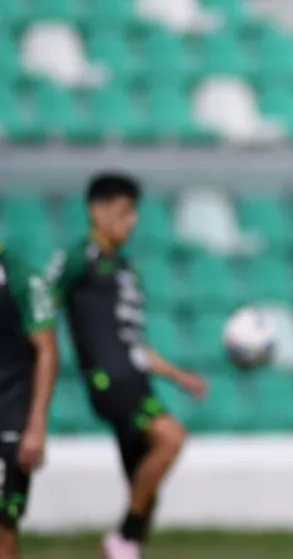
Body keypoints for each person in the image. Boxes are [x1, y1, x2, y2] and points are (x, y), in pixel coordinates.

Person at [47, 174, 208, 559]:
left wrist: (178, 377)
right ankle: (122, 538)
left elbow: (133, 342)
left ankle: (124, 547)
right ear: (97, 211)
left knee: (145, 491)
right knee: (170, 438)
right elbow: (41, 307)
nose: (132, 221)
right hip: (110, 380)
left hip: (135, 379)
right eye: (123, 212)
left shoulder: (124, 267)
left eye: (134, 212)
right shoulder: (77, 258)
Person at [0, 243, 59, 559]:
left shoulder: (20, 275)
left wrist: (36, 426)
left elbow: (47, 348)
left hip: (8, 415)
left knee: (3, 529)